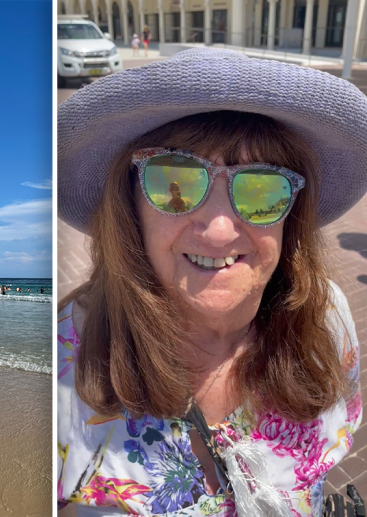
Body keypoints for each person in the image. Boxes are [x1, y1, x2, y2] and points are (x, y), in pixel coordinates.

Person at [56, 49, 365, 515]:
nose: (219, 229)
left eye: (262, 189)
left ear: (291, 215)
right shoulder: (59, 370)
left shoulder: (326, 318)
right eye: (173, 183)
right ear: (131, 206)